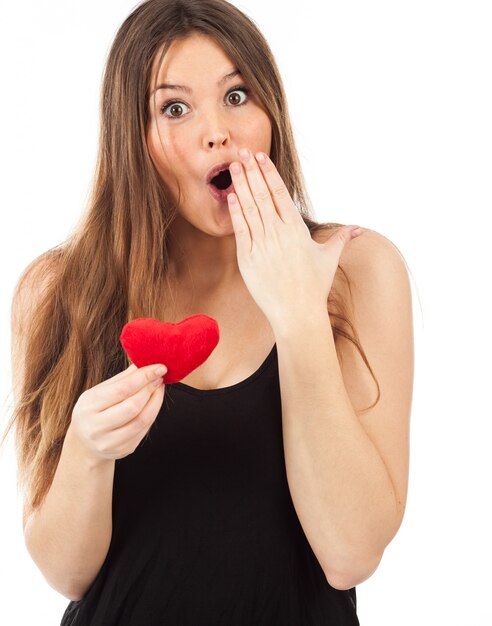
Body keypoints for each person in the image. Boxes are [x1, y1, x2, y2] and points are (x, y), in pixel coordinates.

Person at [3, 0, 414, 624]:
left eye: (238, 95)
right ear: (132, 139)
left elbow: (350, 554)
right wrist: (88, 452)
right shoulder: (57, 293)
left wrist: (298, 315)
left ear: (272, 113)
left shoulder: (356, 270)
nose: (217, 131)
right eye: (175, 108)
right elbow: (67, 574)